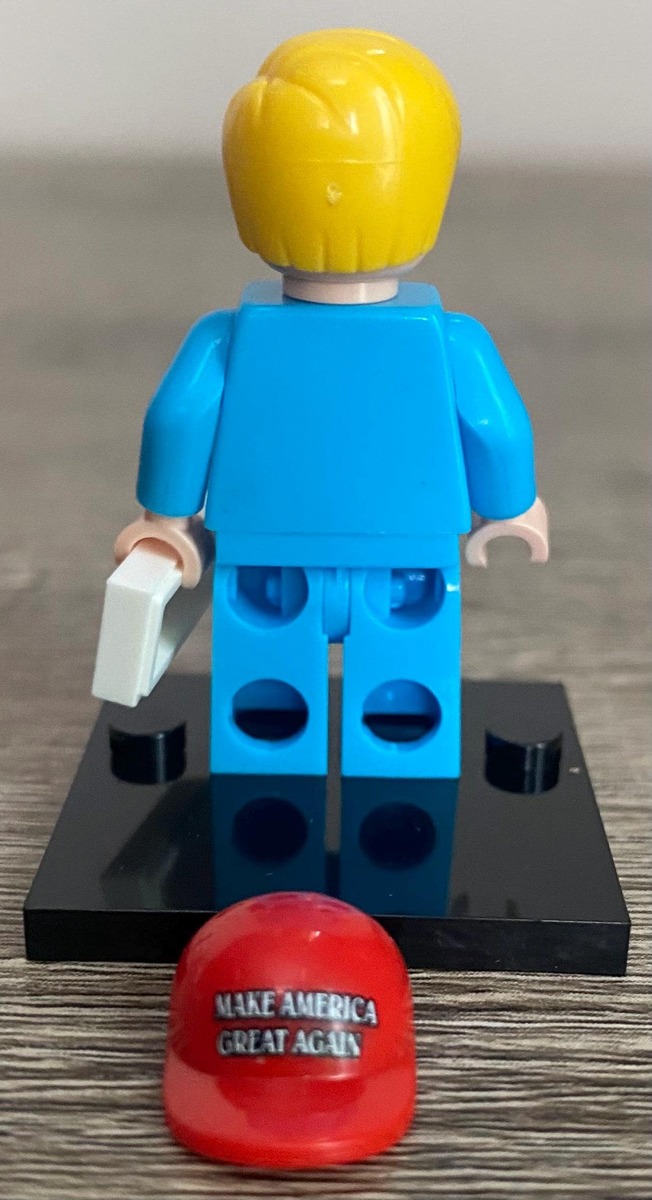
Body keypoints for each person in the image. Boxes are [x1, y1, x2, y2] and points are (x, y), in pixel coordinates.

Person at [113, 28, 548, 778]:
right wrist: (512, 507)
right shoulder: (450, 340)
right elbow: (493, 426)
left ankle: (272, 763)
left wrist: (166, 520)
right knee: (403, 689)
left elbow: (178, 419)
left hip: (270, 557)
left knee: (266, 689)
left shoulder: (228, 338)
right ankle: (396, 767)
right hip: (402, 555)